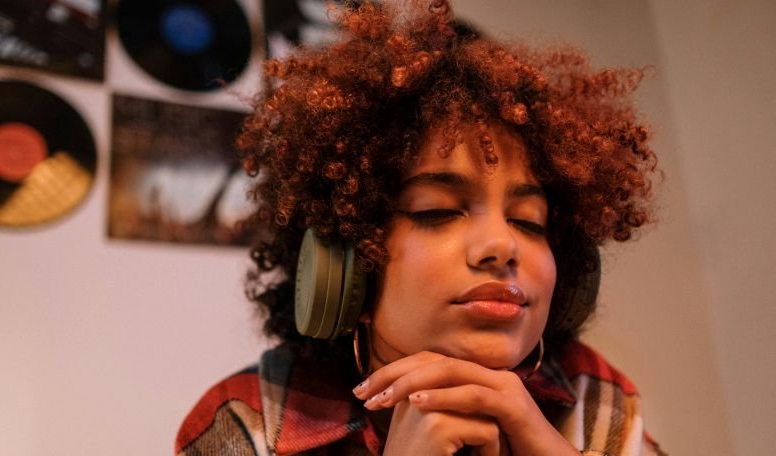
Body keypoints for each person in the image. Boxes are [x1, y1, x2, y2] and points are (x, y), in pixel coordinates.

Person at [176, 1, 665, 454]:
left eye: (528, 221)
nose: (501, 245)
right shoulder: (247, 421)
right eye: (436, 211)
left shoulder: (596, 402)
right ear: (345, 262)